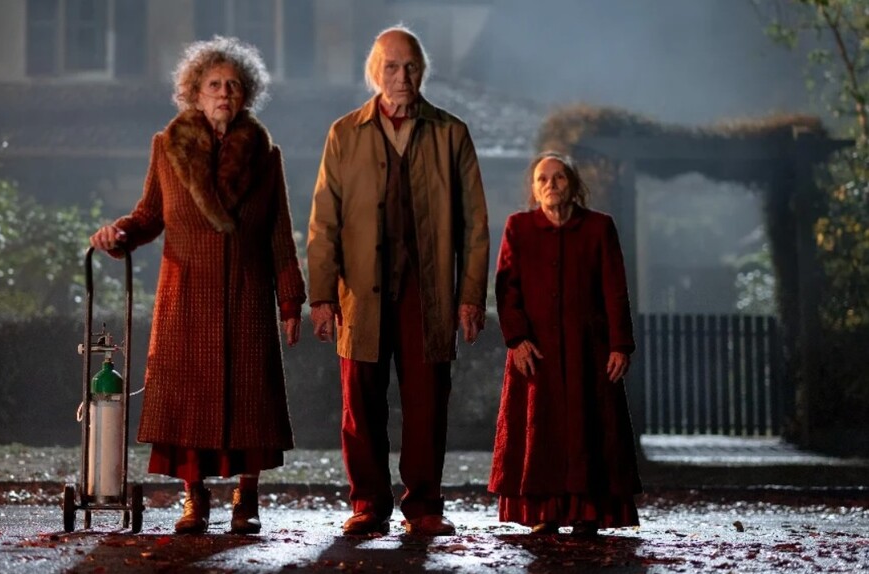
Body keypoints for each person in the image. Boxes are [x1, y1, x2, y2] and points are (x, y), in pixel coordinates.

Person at [89, 36, 305, 535]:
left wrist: (291, 300)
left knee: (251, 400)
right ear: (194, 92)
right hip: (185, 294)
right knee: (187, 401)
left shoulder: (265, 155)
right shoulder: (168, 148)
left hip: (247, 294)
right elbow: (149, 215)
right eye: (214, 84)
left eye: (233, 85)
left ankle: (246, 499)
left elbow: (279, 233)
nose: (224, 93)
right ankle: (195, 499)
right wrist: (118, 234)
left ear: (246, 95)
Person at [306, 25, 490, 536]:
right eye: (391, 66)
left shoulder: (451, 133)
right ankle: (368, 503)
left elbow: (475, 225)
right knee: (360, 402)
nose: (402, 76)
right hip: (359, 292)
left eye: (411, 66)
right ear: (374, 73)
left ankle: (425, 506)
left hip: (428, 291)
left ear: (423, 71)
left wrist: (470, 296)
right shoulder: (345, 133)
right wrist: (320, 295)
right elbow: (323, 222)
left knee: (427, 402)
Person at [488, 151, 641, 536]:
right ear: (533, 188)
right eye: (542, 179)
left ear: (573, 184)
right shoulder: (519, 228)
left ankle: (588, 513)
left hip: (589, 351)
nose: (551, 185)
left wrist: (620, 344)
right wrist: (517, 339)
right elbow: (507, 289)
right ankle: (545, 512)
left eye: (559, 177)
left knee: (591, 430)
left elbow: (615, 289)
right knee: (542, 432)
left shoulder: (599, 227)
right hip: (536, 352)